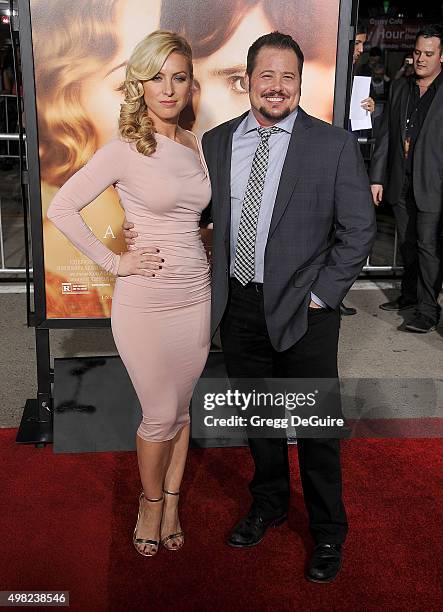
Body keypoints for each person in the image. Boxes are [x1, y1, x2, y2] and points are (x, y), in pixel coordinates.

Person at [126, 31, 375, 581]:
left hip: (306, 313)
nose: (278, 87)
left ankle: (328, 532)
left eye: (289, 76)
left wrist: (321, 295)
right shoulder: (215, 143)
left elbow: (359, 230)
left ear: (300, 83)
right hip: (239, 306)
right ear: (249, 80)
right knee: (260, 419)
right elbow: (191, 211)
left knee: (313, 428)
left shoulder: (330, 145)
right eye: (267, 75)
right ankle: (267, 504)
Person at [47, 30, 212, 556]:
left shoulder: (196, 144)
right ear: (139, 85)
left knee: (182, 411)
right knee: (160, 413)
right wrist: (117, 262)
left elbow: (192, 213)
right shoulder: (124, 149)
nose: (169, 89)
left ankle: (174, 498)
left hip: (196, 296)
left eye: (178, 77)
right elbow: (61, 209)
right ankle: (150, 504)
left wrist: (203, 238)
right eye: (157, 77)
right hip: (145, 301)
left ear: (190, 85)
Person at [370, 24, 443, 333]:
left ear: (442, 56)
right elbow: (386, 135)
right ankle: (410, 295)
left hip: (434, 185)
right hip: (401, 182)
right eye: (417, 52)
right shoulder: (400, 87)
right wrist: (377, 178)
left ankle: (428, 310)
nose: (421, 59)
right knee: (409, 245)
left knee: (428, 247)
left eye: (428, 53)